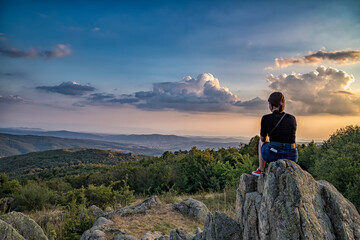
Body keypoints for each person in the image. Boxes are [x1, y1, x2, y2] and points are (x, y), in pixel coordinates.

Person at [252, 92, 298, 176]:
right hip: (292, 156)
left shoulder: (266, 118)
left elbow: (263, 139)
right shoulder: (292, 118)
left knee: (260, 142)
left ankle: (261, 169)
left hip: (274, 154)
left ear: (270, 105)